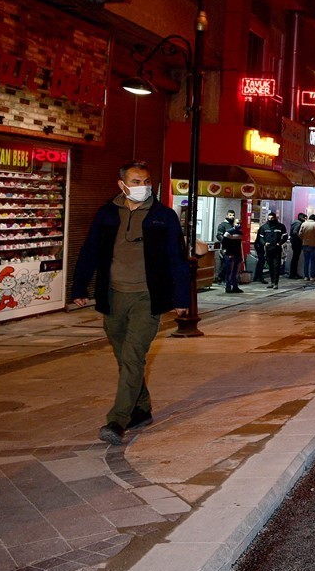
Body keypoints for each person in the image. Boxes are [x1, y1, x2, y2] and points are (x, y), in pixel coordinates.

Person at [71, 161, 189, 446]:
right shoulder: (107, 214)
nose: (143, 186)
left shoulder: (163, 216)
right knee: (125, 357)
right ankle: (142, 408)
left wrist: (181, 298)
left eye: (146, 181)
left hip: (146, 298)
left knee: (133, 356)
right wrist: (79, 286)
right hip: (113, 296)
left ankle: (118, 420)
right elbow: (90, 250)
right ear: (121, 184)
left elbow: (177, 258)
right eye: (136, 181)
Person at [255, 212, 289, 288]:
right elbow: (261, 237)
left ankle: (275, 283)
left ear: (275, 218)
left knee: (276, 266)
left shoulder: (281, 227)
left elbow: (285, 236)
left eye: (272, 218)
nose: (270, 220)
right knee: (270, 266)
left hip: (277, 249)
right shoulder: (264, 227)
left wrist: (280, 243)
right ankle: (271, 282)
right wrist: (264, 243)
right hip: (268, 249)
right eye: (269, 218)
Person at [221, 219, 245, 293]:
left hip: (237, 254)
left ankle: (235, 286)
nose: (239, 225)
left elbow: (238, 245)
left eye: (240, 223)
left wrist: (240, 255)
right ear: (234, 223)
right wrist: (227, 253)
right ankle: (228, 287)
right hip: (230, 254)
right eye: (237, 223)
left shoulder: (240, 233)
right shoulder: (229, 232)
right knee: (229, 271)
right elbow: (224, 243)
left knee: (235, 271)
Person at [214, 209, 237, 282]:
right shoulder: (223, 225)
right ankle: (220, 278)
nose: (232, 217)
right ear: (226, 215)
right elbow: (219, 235)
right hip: (225, 247)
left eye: (233, 215)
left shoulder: (233, 225)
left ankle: (226, 279)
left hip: (233, 247)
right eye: (230, 215)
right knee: (224, 263)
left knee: (230, 264)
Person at [299, 214, 315, 283]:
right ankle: (312, 276)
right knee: (312, 261)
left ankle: (306, 276)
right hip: (313, 245)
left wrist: (303, 240)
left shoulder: (303, 224)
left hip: (305, 244)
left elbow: (300, 234)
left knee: (306, 261)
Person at [288, 212, 306, 279]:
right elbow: (295, 232)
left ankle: (294, 273)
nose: (305, 219)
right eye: (304, 218)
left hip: (294, 242)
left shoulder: (295, 222)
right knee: (295, 258)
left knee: (295, 258)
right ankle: (293, 274)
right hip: (296, 242)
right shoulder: (298, 223)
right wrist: (300, 238)